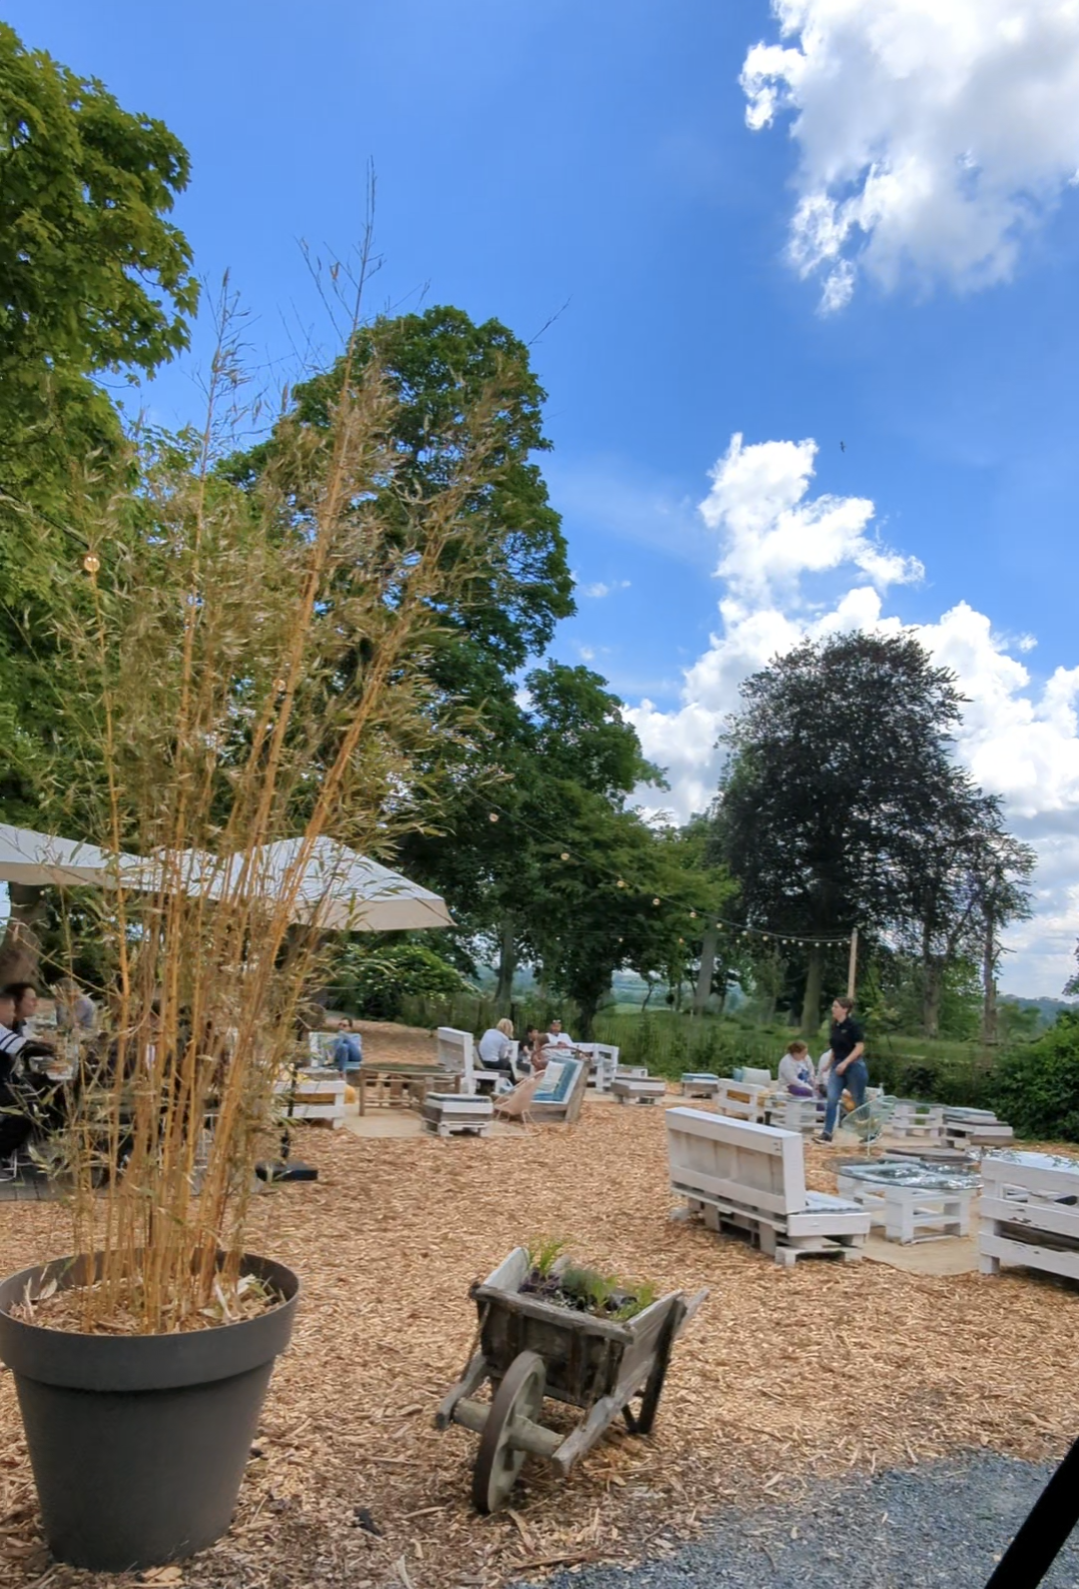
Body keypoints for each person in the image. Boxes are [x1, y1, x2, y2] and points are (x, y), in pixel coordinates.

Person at [816, 996, 867, 1142]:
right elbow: (835, 1047)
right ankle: (827, 1132)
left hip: (853, 1065)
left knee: (858, 1099)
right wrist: (828, 1064)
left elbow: (859, 1047)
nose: (833, 1009)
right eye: (833, 1006)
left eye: (836, 1007)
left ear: (845, 1009)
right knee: (832, 1097)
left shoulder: (853, 1026)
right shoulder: (835, 1026)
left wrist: (846, 1063)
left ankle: (870, 1131)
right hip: (837, 1065)